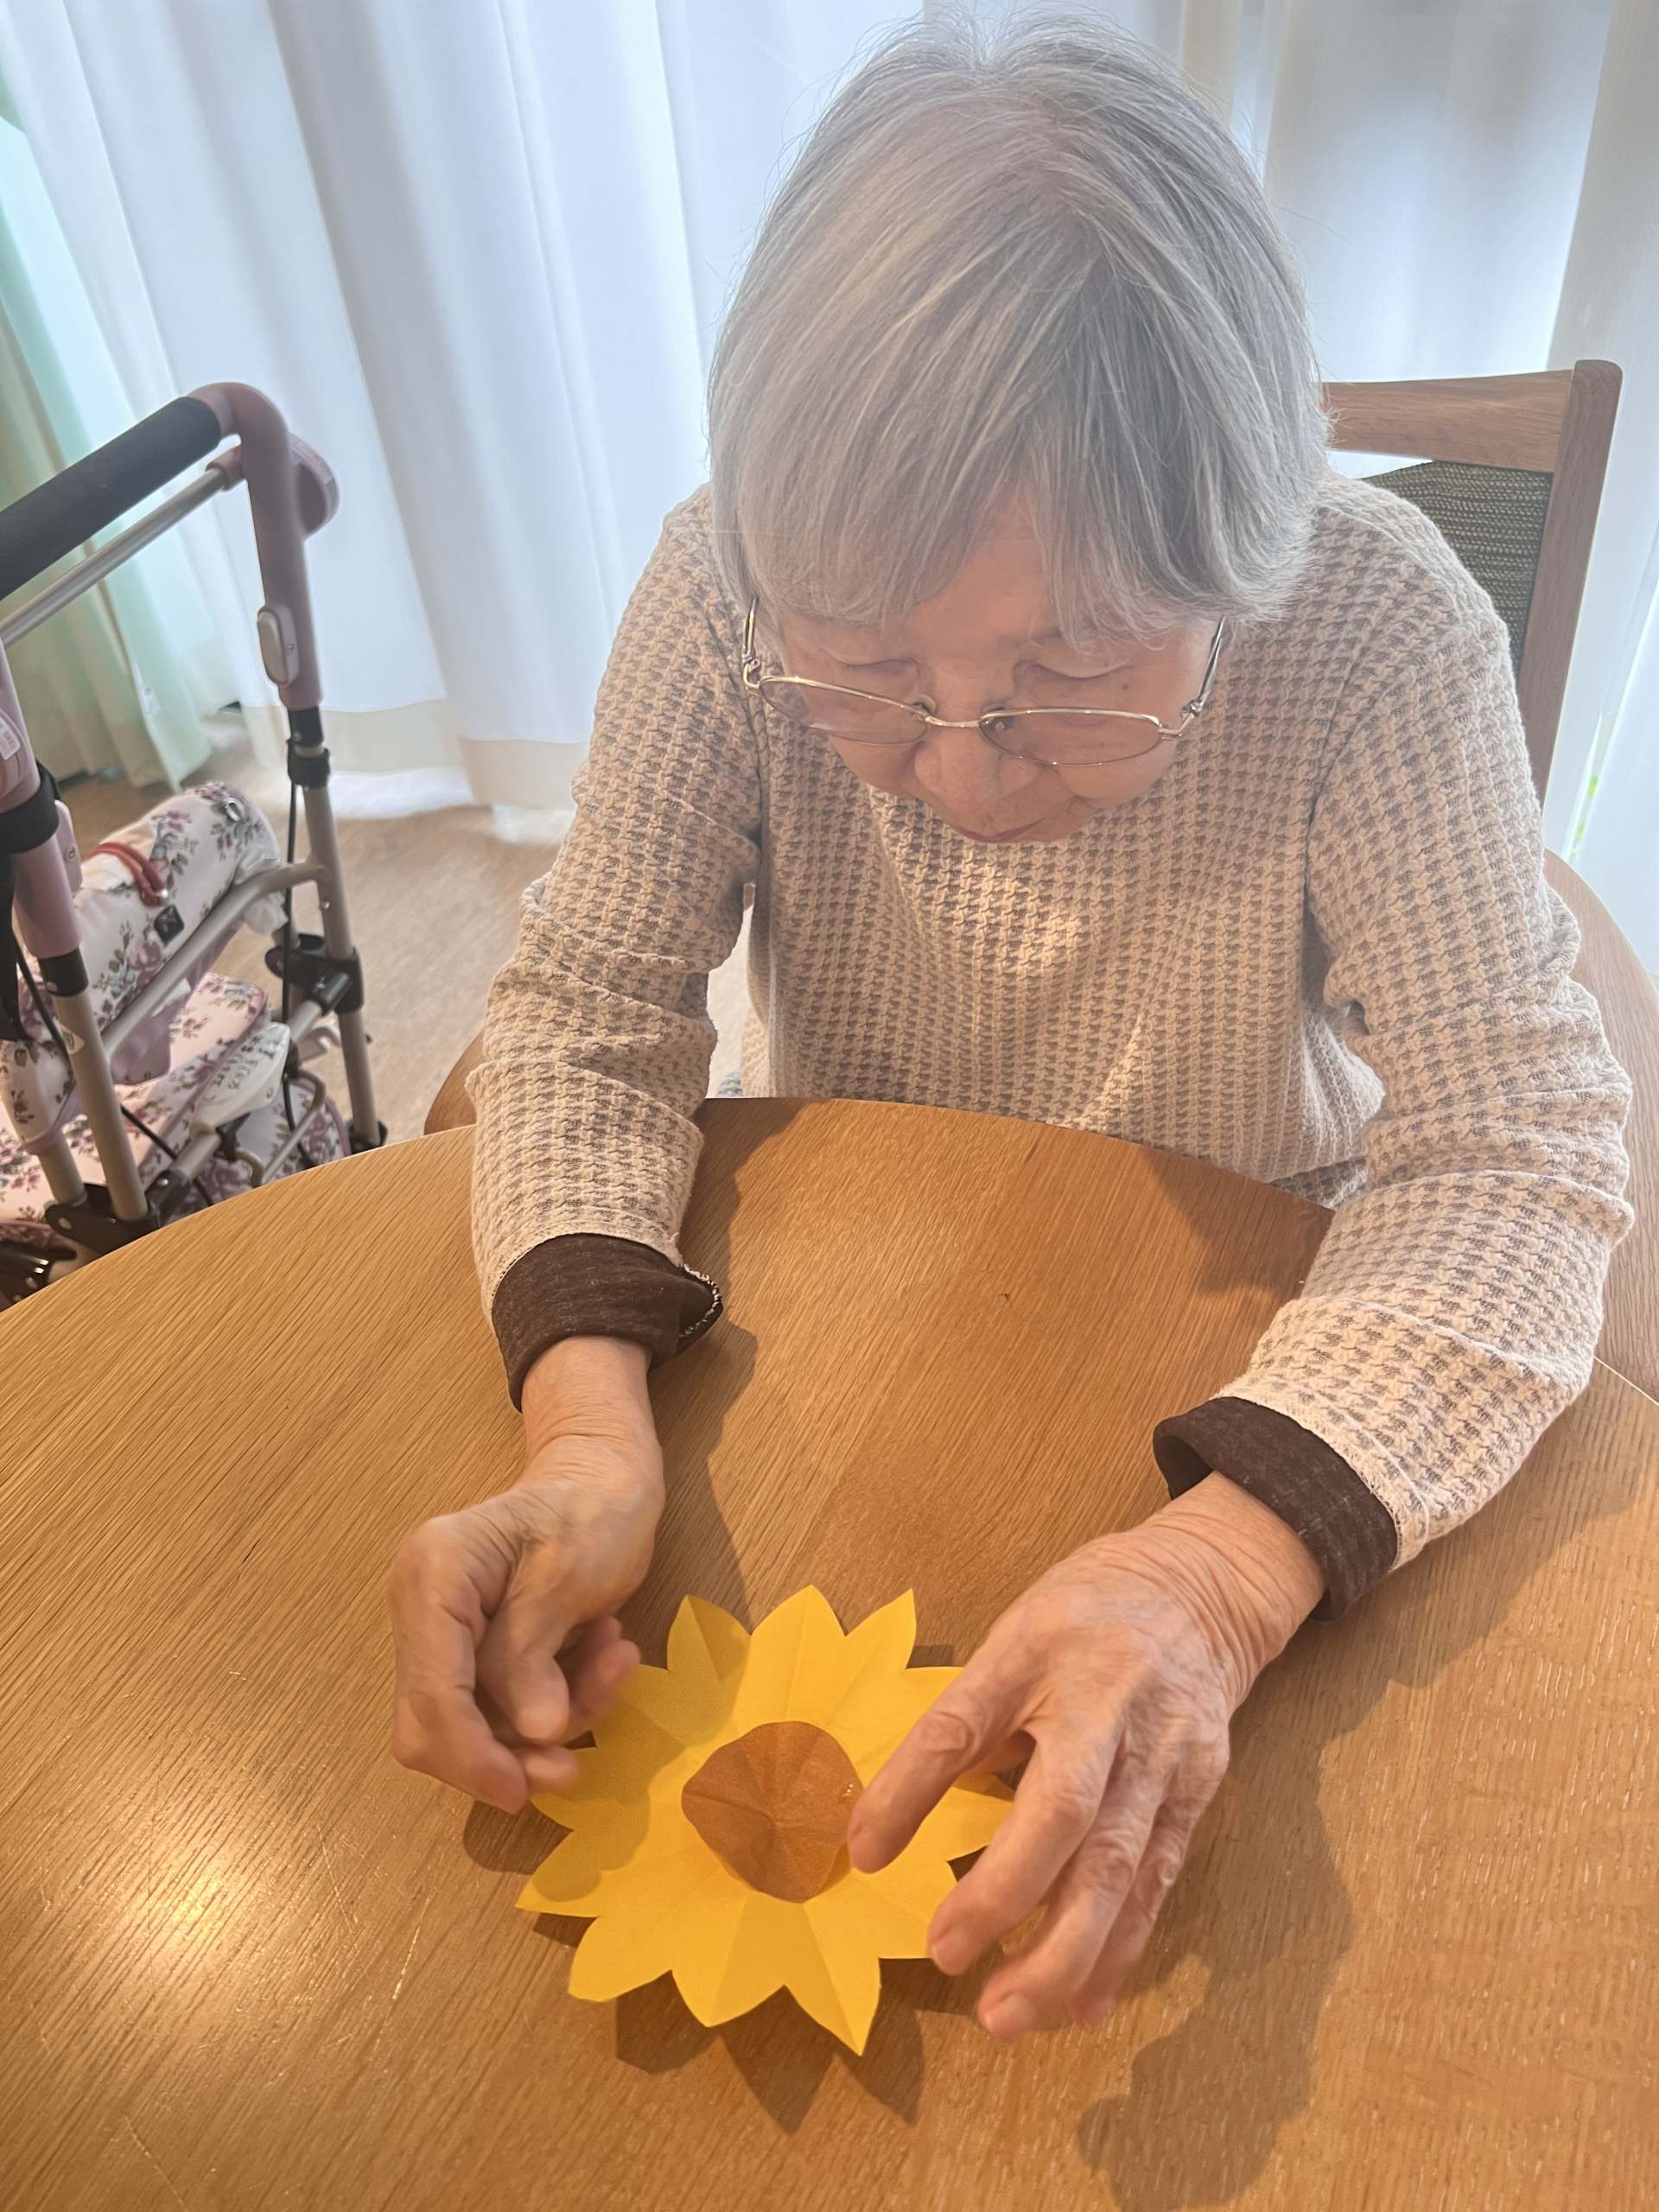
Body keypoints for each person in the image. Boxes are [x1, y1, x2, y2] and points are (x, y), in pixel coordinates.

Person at [386, 16, 1631, 2044]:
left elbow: (1520, 1146)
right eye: (868, 669)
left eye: (1075, 665)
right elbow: (591, 1008)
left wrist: (1219, 1574)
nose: (963, 771)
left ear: (1243, 565)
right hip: (849, 1312)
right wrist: (587, 1427)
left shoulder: (1379, 627)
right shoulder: (717, 583)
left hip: (1246, 1321)